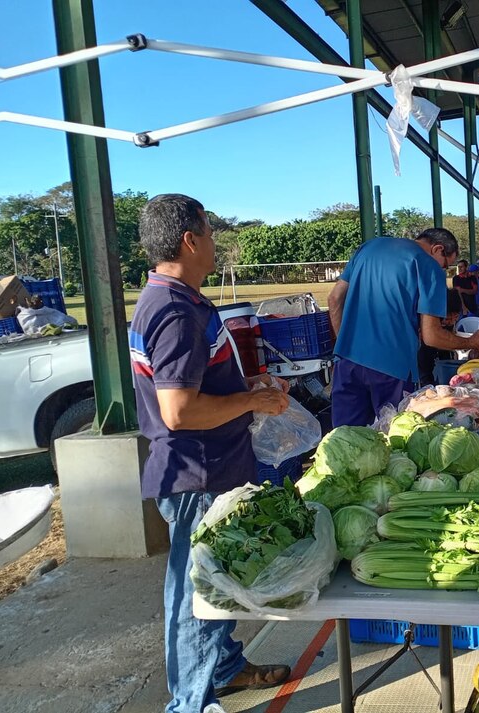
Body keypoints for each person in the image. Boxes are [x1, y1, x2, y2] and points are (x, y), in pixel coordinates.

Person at [131, 194, 293, 713]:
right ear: (190, 240)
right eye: (210, 231)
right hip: (197, 473)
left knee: (218, 583)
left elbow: (198, 383)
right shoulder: (175, 310)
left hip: (214, 465)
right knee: (196, 597)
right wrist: (252, 400)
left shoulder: (179, 298)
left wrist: (249, 387)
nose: (215, 242)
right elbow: (178, 411)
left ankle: (224, 667)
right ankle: (190, 704)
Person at [328, 229, 479, 427]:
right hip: (393, 366)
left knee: (344, 438)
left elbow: (334, 299)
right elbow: (432, 336)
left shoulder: (369, 247)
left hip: (347, 360)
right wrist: (470, 342)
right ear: (437, 249)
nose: (444, 271)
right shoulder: (428, 266)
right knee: (397, 438)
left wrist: (344, 342)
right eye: (446, 265)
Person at [417, 289, 464, 386]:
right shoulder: (428, 320)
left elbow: (451, 334)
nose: (451, 322)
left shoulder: (450, 313)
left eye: (455, 317)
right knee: (426, 378)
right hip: (424, 353)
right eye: (448, 318)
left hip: (443, 355)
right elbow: (431, 340)